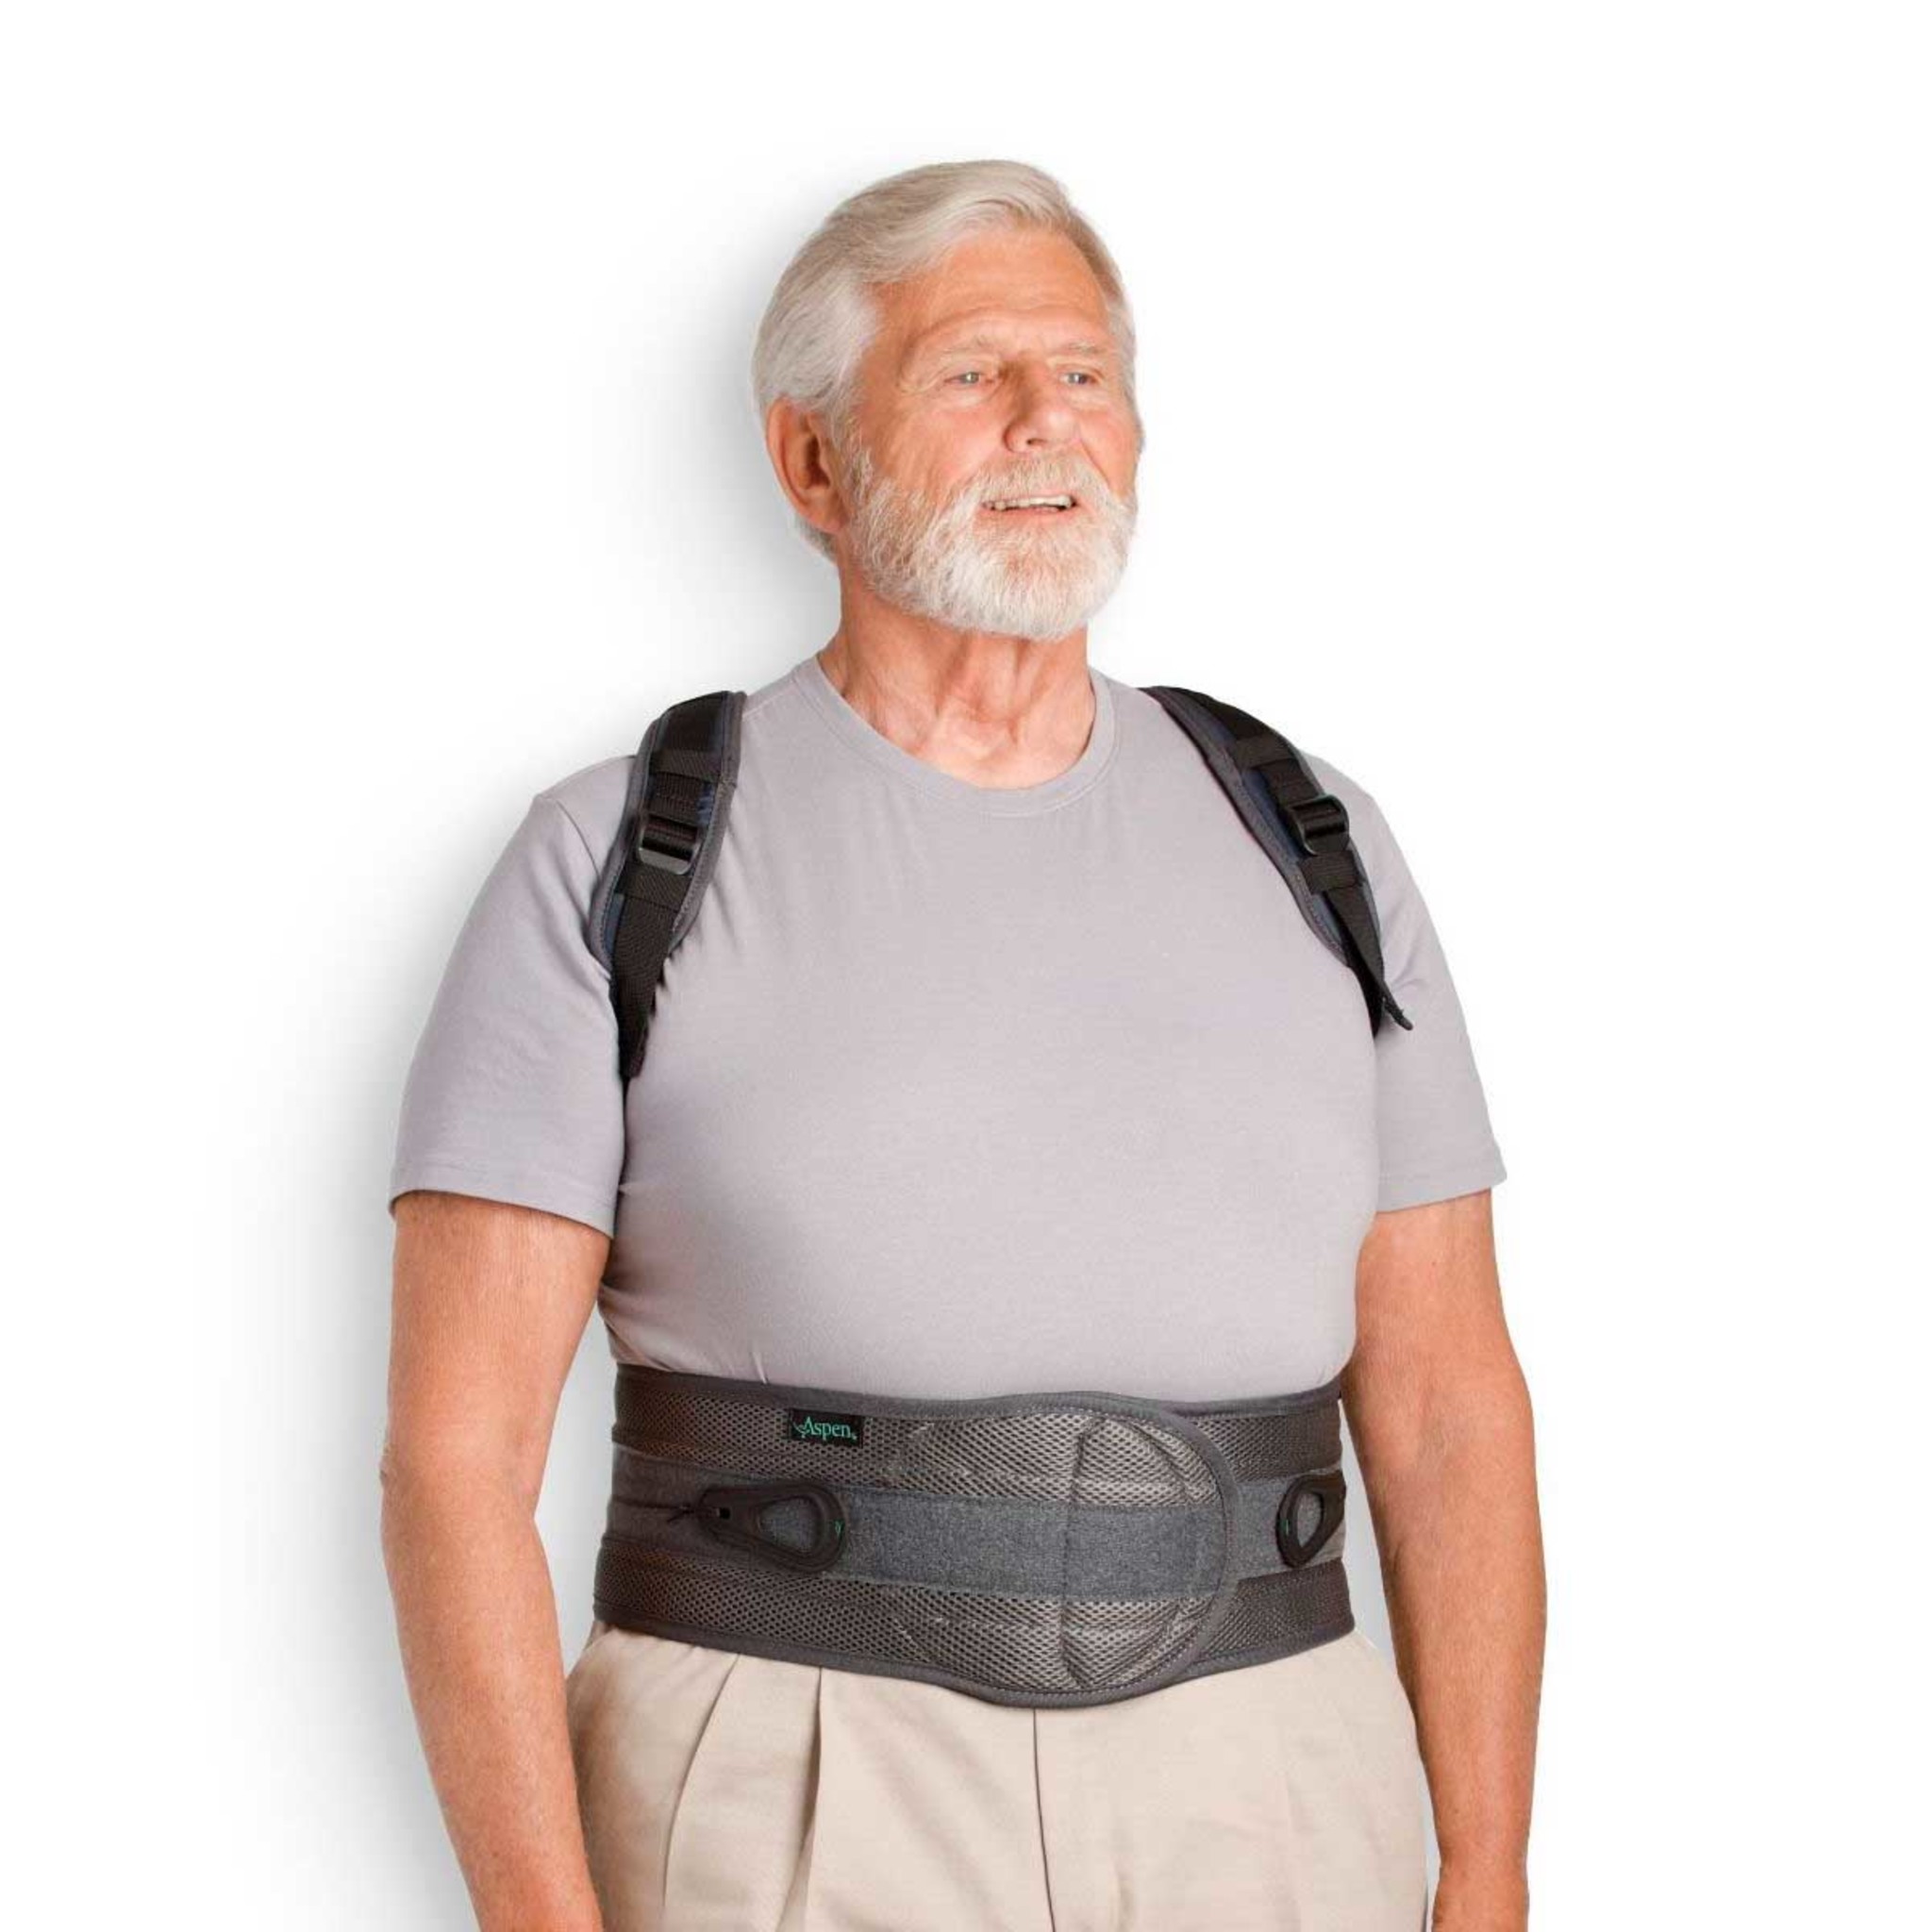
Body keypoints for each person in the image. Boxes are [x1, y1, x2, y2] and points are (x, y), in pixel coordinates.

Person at [381, 158, 1544, 1932]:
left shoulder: (1313, 838)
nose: (1043, 422)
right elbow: (456, 1465)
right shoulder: (621, 858)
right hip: (788, 1775)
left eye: (1083, 374)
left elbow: (1451, 1407)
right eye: (970, 373)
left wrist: (1489, 1870)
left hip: (1281, 1786)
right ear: (814, 464)